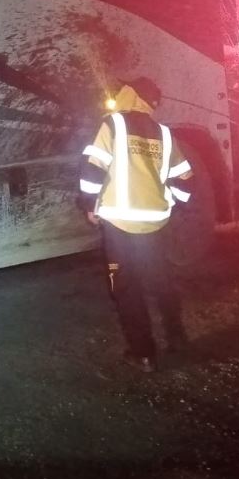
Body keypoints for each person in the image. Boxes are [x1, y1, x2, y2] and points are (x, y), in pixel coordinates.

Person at [79, 77, 194, 372]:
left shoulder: (113, 125)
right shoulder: (164, 134)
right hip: (156, 224)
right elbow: (184, 181)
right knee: (162, 282)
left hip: (119, 226)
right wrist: (170, 203)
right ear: (151, 103)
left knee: (125, 288)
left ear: (128, 95)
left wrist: (89, 205)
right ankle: (177, 337)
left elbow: (93, 170)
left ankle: (143, 354)